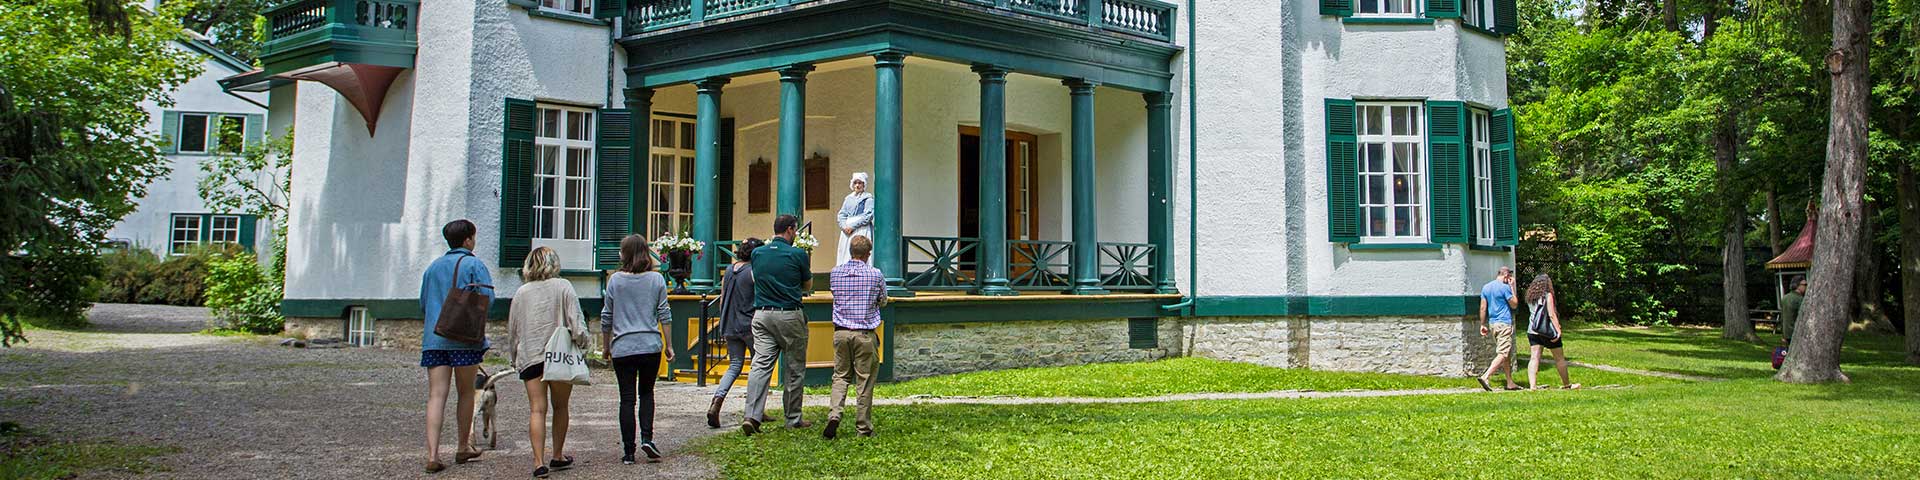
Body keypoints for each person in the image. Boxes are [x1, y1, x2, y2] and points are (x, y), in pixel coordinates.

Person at [504, 246, 590, 479]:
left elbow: (513, 330)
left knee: (537, 409)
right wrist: (584, 344)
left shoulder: (522, 293)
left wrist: (515, 358)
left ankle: (538, 461)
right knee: (560, 407)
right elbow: (576, 322)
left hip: (531, 356)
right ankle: (558, 454)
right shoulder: (563, 286)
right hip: (559, 355)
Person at [418, 219, 493, 473]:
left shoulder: (432, 268)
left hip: (434, 338)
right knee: (465, 393)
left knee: (436, 395)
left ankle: (433, 454)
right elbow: (487, 299)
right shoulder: (474, 264)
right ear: (468, 239)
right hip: (464, 340)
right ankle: (463, 446)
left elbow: (423, 303)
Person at [599, 235, 674, 465]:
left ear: (625, 254)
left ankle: (629, 452)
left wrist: (605, 346)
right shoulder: (656, 279)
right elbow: (664, 314)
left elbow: (606, 316)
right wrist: (669, 345)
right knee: (647, 393)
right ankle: (647, 438)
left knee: (627, 399)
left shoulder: (615, 281)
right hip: (650, 345)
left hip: (623, 346)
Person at [740, 214, 815, 436]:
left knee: (760, 366)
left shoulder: (757, 253)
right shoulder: (798, 254)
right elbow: (807, 283)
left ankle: (751, 415)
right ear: (791, 230)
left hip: (762, 315)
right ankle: (793, 418)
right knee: (794, 367)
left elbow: (755, 278)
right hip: (789, 314)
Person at [825, 235, 885, 439]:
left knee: (840, 376)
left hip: (840, 332)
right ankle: (863, 427)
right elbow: (882, 300)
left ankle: (834, 415)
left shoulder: (835, 273)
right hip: (864, 334)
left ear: (850, 251)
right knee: (864, 380)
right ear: (868, 254)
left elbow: (834, 294)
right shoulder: (875, 274)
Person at [708, 238, 764, 429]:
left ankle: (717, 400)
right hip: (749, 324)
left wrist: (723, 323)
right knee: (759, 367)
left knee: (734, 366)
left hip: (730, 324)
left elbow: (723, 299)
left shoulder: (730, 271)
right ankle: (755, 410)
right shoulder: (754, 272)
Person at [1523, 274, 1579, 390]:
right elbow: (1551, 314)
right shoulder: (1547, 296)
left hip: (1533, 330)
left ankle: (1532, 386)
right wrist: (1558, 330)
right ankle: (1566, 384)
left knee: (1534, 358)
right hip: (1547, 331)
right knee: (1559, 358)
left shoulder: (1530, 297)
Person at [1477, 266, 1521, 392]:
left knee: (1505, 353)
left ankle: (1509, 382)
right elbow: (1514, 304)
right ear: (1507, 276)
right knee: (1503, 353)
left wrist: (1482, 324)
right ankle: (1486, 376)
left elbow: (1483, 308)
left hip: (1493, 324)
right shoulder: (1505, 287)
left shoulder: (1486, 287)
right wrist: (1512, 287)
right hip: (1504, 324)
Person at [836, 172, 874, 266]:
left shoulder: (868, 198)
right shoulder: (848, 198)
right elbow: (842, 214)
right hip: (847, 230)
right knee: (846, 251)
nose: (857, 185)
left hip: (861, 229)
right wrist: (844, 226)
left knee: (860, 248)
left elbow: (868, 215)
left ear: (864, 184)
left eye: (860, 183)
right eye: (855, 183)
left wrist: (853, 226)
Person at [1780, 277, 1807, 344]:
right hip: (1797, 334)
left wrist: (1783, 335)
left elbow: (1782, 318)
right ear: (1797, 285)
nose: (1806, 287)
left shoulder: (1785, 298)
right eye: (1805, 284)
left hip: (1786, 334)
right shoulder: (1800, 299)